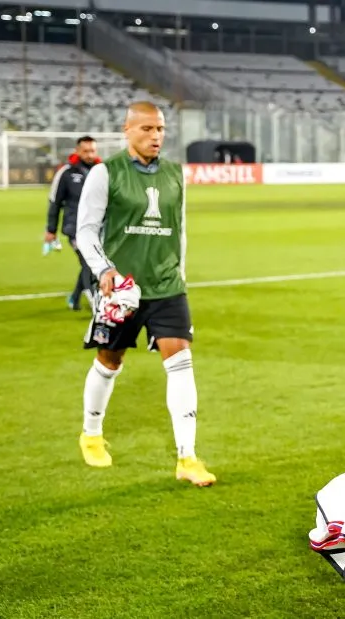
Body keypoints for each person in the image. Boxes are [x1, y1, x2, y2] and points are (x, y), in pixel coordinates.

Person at [74, 101, 215, 487]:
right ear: (128, 130)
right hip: (121, 289)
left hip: (167, 285)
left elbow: (178, 229)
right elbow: (86, 230)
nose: (156, 136)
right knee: (109, 360)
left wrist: (180, 275)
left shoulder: (174, 174)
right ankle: (91, 433)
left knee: (181, 361)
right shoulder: (106, 173)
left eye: (161, 130)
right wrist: (103, 269)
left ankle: (187, 457)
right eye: (147, 129)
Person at [45, 136, 100, 311]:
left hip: (97, 228)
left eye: (92, 150)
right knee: (88, 263)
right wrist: (51, 230)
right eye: (86, 151)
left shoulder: (101, 171)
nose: (90, 154)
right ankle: (95, 304)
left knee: (89, 263)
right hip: (74, 228)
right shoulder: (67, 172)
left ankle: (74, 299)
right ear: (77, 151)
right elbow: (55, 201)